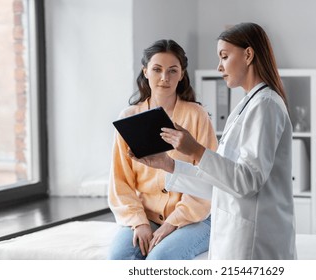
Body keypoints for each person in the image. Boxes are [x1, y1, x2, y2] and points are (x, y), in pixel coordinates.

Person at [133, 22, 297, 260]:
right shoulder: (247, 105)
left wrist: (196, 150)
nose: (219, 66)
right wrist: (168, 164)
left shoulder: (266, 105)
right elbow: (222, 183)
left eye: (224, 56)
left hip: (255, 243)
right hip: (235, 235)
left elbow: (247, 181)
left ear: (248, 54)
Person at [108, 39, 218, 260]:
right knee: (119, 258)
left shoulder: (197, 116)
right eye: (157, 69)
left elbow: (207, 177)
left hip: (194, 216)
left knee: (159, 260)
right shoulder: (129, 118)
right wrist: (139, 222)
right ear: (145, 71)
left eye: (172, 71)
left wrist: (172, 223)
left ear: (182, 74)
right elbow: (120, 181)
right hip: (145, 215)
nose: (164, 78)